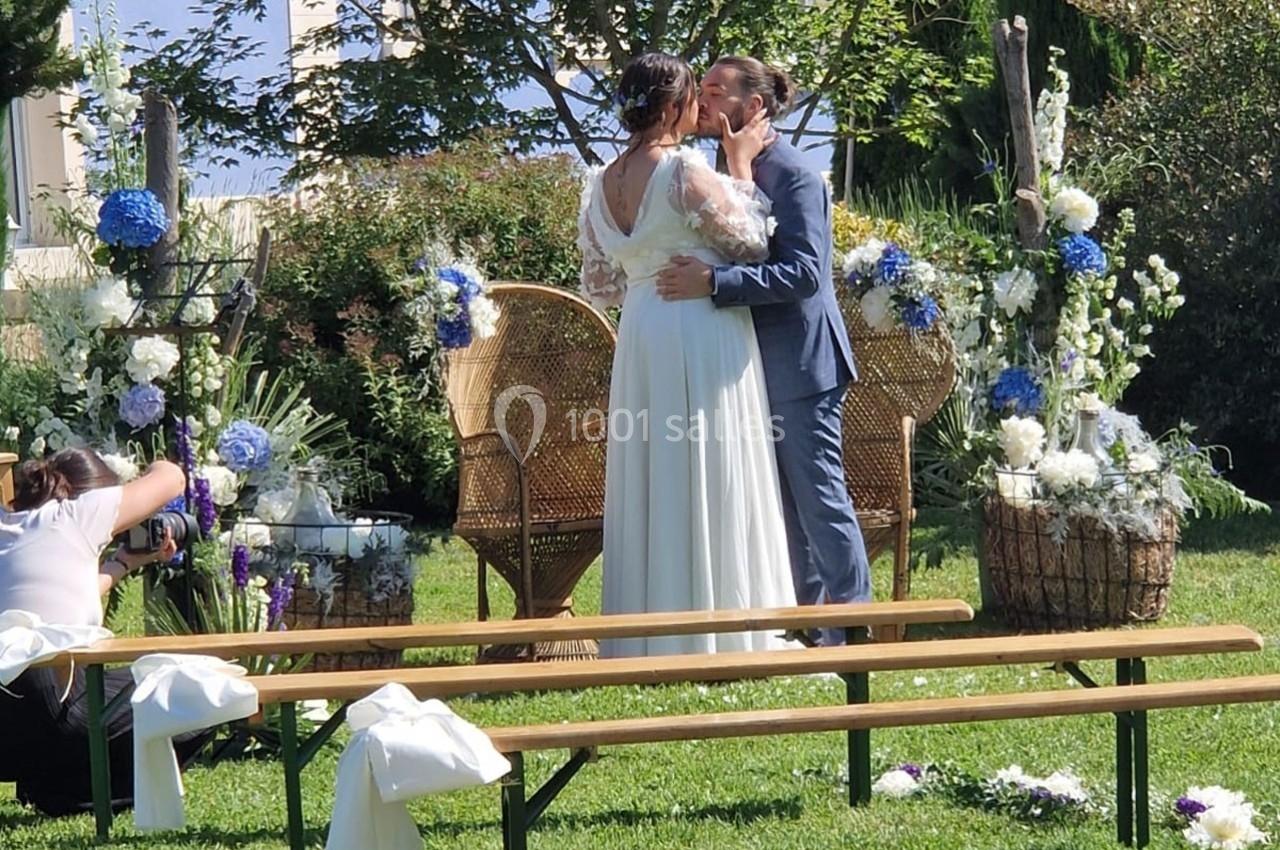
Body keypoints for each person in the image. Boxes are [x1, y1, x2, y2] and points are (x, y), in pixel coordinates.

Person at [578, 52, 796, 657]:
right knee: (714, 459)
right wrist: (740, 167)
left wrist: (647, 271)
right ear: (673, 107)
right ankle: (725, 629)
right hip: (700, 328)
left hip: (642, 330)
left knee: (656, 469)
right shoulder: (684, 171)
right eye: (693, 97)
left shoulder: (599, 184)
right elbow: (752, 243)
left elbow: (601, 285)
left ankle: (649, 631)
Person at [656, 56, 873, 645]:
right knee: (777, 501)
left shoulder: (795, 174)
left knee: (818, 497)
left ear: (752, 106)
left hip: (801, 363)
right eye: (700, 89)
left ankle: (852, 630)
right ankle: (804, 628)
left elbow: (804, 274)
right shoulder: (715, 168)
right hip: (741, 364)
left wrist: (714, 282)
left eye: (715, 90)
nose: (701, 100)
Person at [0, 448, 195, 815]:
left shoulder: (9, 526)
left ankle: (50, 785)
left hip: (7, 726)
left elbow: (52, 598)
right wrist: (145, 466)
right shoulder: (81, 511)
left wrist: (122, 563)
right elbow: (172, 478)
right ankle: (78, 793)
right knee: (198, 685)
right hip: (52, 715)